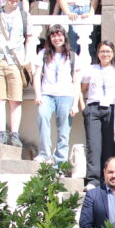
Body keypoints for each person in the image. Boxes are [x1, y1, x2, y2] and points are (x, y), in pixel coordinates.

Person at [0, 0, 34, 147]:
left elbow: (29, 39)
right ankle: (1, 132)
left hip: (16, 61)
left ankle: (14, 134)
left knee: (15, 99)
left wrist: (27, 59)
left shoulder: (24, 16)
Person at [32, 25, 80, 164]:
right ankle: (44, 153)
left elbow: (76, 82)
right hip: (47, 94)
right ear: (49, 38)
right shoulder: (43, 54)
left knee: (64, 128)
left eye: (59, 35)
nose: (57, 38)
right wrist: (38, 94)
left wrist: (75, 104)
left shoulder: (72, 55)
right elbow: (36, 76)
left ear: (64, 37)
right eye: (53, 36)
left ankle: (60, 159)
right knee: (42, 117)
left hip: (66, 95)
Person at [81, 40, 115, 188]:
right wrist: (84, 108)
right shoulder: (91, 69)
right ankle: (92, 180)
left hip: (112, 110)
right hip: (94, 108)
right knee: (94, 145)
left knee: (109, 146)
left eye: (108, 51)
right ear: (97, 53)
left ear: (113, 54)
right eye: (102, 51)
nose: (105, 54)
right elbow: (81, 88)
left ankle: (107, 179)